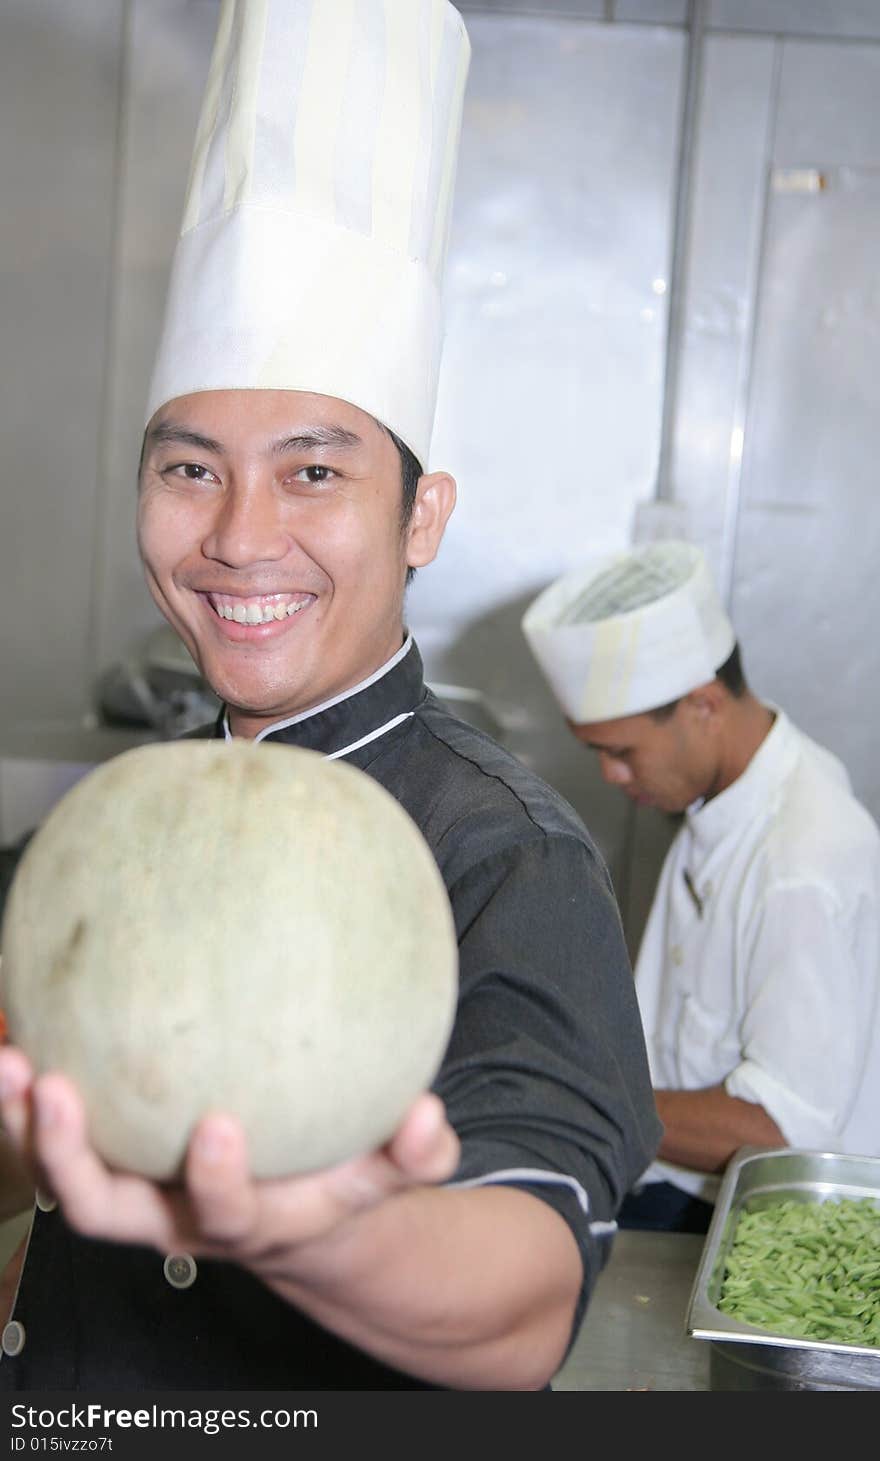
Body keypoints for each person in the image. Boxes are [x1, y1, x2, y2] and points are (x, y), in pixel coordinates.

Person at [0, 0, 660, 1390]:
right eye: (191, 467)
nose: (239, 537)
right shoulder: (122, 821)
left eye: (314, 471)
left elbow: (527, 1289)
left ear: (424, 518)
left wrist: (297, 1235)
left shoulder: (505, 856)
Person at [522, 537, 880, 1234]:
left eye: (621, 752)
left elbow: (779, 1127)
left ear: (704, 704)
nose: (611, 778)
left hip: (760, 1221)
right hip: (678, 1181)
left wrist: (583, 1096)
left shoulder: (803, 862)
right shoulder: (725, 791)